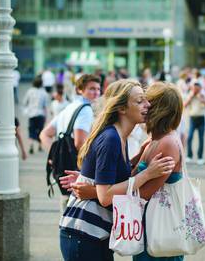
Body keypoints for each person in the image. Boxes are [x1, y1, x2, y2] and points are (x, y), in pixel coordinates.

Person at [58, 79, 175, 261]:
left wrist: (89, 179)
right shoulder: (111, 138)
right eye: (139, 101)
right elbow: (105, 196)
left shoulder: (120, 137)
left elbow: (114, 177)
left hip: (95, 236)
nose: (148, 105)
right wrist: (147, 174)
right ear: (122, 109)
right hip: (83, 235)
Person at [132, 81, 185, 261]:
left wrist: (100, 193)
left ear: (158, 109)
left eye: (146, 102)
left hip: (160, 233)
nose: (143, 106)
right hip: (149, 228)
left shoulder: (167, 143)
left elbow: (144, 193)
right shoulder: (154, 139)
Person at [40, 74, 101, 212]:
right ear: (80, 90)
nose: (96, 92)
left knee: (65, 209)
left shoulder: (69, 108)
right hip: (76, 169)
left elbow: (44, 134)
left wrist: (54, 155)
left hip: (62, 169)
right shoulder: (85, 110)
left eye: (98, 89)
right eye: (91, 89)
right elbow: (80, 143)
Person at [184, 81, 205, 164]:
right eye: (194, 88)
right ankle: (189, 155)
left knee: (201, 138)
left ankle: (200, 157)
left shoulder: (204, 94)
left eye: (197, 88)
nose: (195, 90)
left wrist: (202, 100)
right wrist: (191, 97)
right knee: (189, 137)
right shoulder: (190, 94)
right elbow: (184, 105)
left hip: (201, 118)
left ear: (200, 88)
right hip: (192, 118)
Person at [22, 75, 50, 154]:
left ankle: (31, 145)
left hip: (31, 114)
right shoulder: (44, 92)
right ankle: (40, 146)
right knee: (40, 130)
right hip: (41, 114)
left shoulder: (30, 91)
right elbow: (45, 106)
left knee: (31, 130)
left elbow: (24, 102)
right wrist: (46, 116)